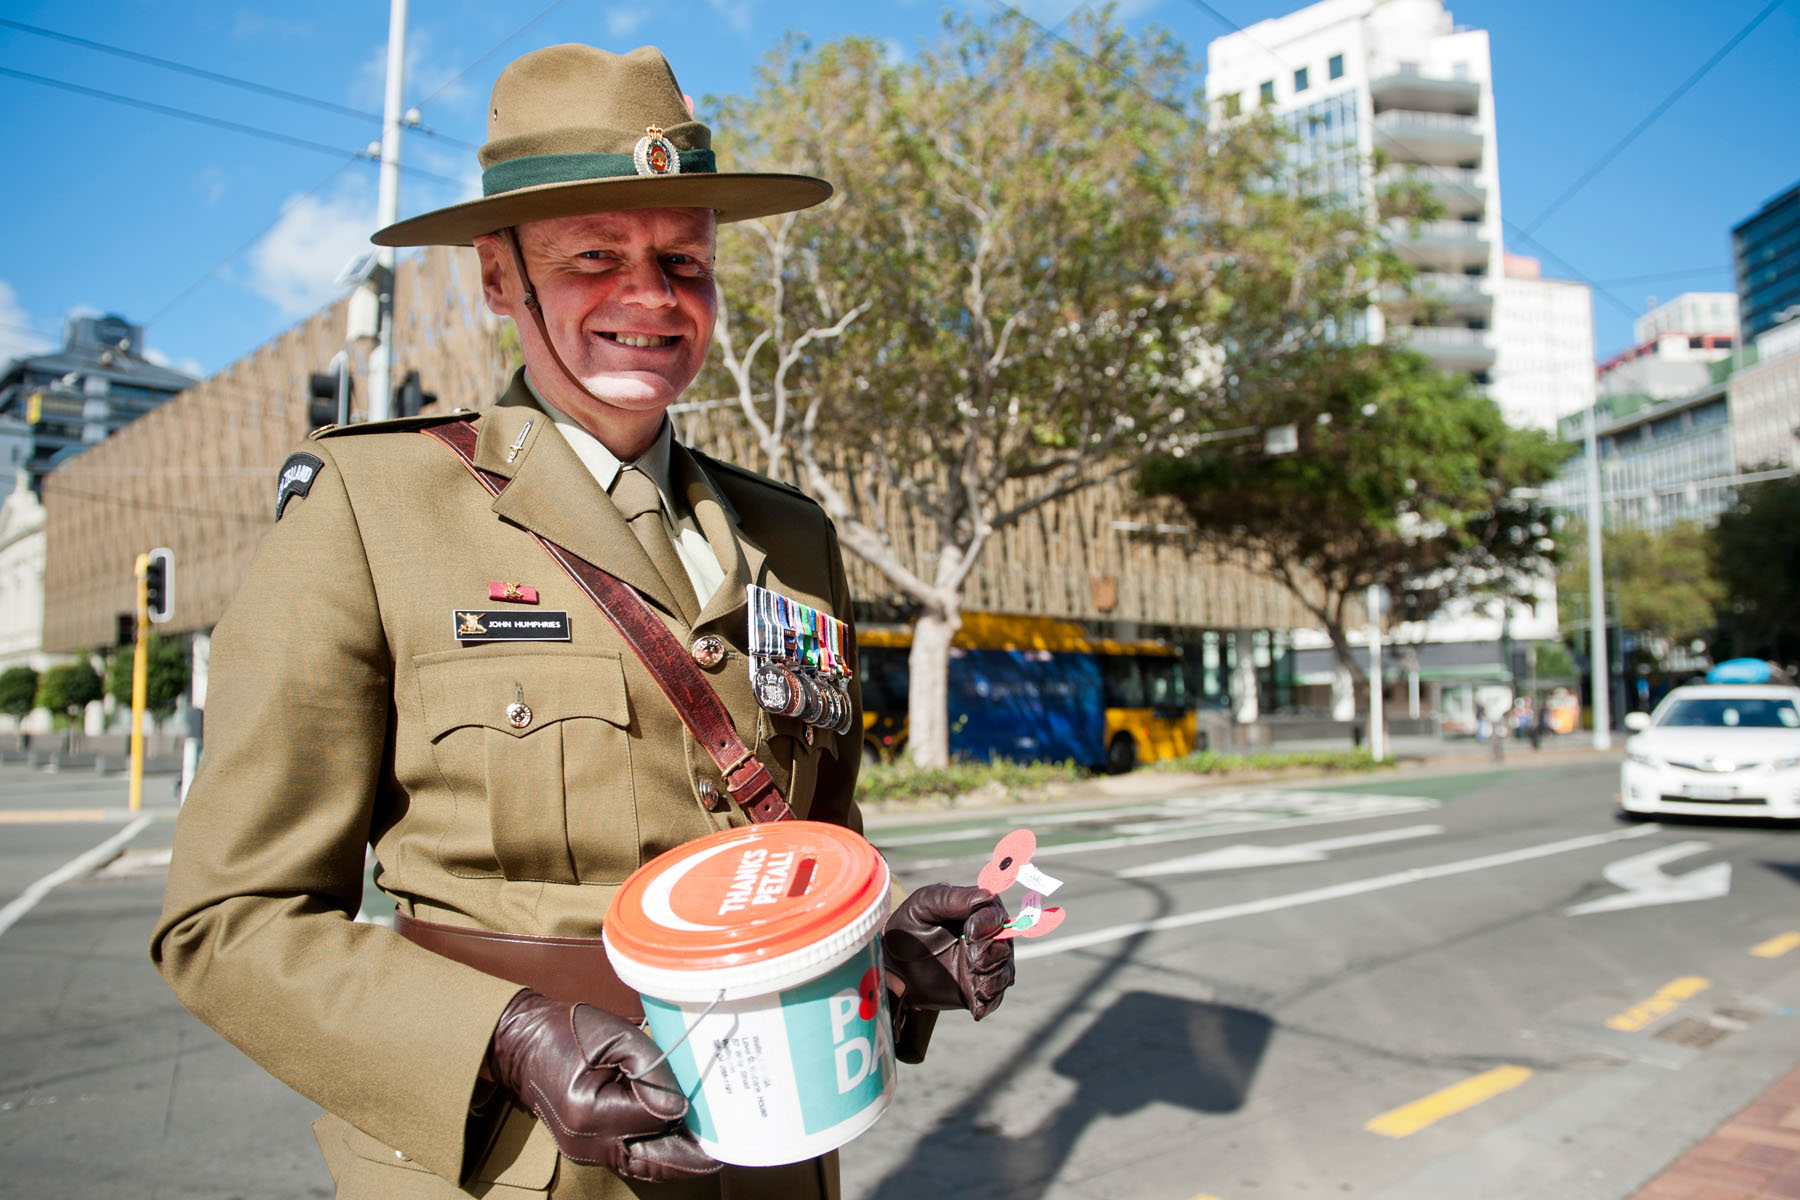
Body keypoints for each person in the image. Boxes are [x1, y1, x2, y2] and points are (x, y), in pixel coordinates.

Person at [151, 43, 1013, 1200]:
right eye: (594, 258)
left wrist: (883, 960)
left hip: (769, 1159)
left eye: (683, 260)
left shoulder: (791, 540)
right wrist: (505, 1035)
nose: (651, 297)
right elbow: (228, 921)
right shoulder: (371, 510)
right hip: (515, 1167)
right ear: (498, 278)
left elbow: (800, 852)